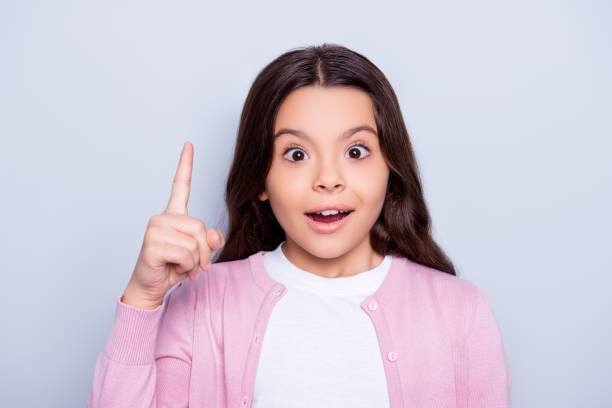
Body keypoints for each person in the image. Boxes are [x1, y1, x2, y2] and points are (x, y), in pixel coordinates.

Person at [87, 43, 512, 407]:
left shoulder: (462, 312)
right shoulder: (202, 303)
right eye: (296, 154)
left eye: (357, 151)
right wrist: (143, 300)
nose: (328, 178)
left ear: (391, 168)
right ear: (261, 181)